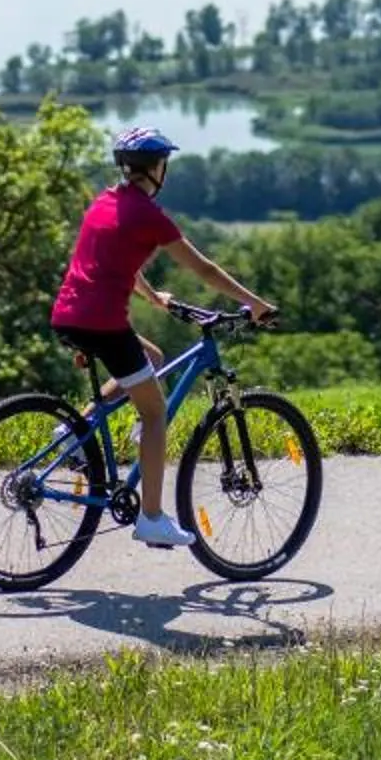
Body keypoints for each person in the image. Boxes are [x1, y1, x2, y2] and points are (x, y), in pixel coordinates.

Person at [50, 126, 277, 548]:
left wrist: (154, 298)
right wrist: (255, 302)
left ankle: (72, 436)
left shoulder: (105, 202)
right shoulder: (149, 216)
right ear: (157, 169)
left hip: (69, 314)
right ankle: (151, 517)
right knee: (155, 413)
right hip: (102, 321)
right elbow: (204, 269)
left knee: (151, 359)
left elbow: (119, 260)